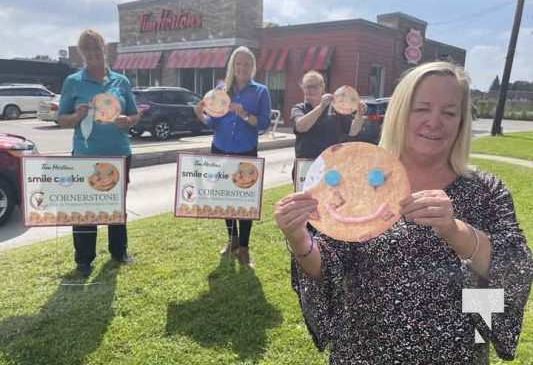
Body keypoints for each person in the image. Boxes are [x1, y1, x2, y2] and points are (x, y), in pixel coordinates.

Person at [274, 61, 533, 364]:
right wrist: (298, 238)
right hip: (364, 352)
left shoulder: (485, 190)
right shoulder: (361, 176)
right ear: (400, 112)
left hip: (457, 355)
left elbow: (514, 269)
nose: (434, 122)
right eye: (421, 108)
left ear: (462, 121)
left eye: (449, 112)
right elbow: (330, 267)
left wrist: (454, 230)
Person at [58, 29, 139, 277]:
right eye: (88, 50)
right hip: (86, 156)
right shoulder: (73, 82)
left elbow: (135, 115)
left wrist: (128, 120)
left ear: (104, 50)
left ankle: (119, 252)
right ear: (82, 53)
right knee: (85, 209)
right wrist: (77, 115)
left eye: (97, 49)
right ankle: (83, 260)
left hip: (119, 154)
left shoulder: (121, 82)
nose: (93, 54)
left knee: (116, 206)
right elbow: (62, 119)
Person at [194, 46, 272, 268]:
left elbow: (264, 124)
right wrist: (200, 114)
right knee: (225, 198)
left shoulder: (260, 91)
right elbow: (214, 123)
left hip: (246, 152)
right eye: (238, 63)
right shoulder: (221, 90)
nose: (242, 67)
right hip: (221, 150)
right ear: (232, 66)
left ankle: (244, 249)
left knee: (245, 202)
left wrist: (244, 114)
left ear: (252, 66)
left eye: (246, 63)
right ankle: (232, 239)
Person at [291, 70, 366, 161]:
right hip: (307, 163)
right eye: (307, 87)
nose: (310, 90)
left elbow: (352, 131)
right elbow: (301, 127)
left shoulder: (336, 108)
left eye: (314, 86)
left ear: (322, 87)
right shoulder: (299, 108)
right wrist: (321, 107)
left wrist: (359, 115)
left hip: (332, 161)